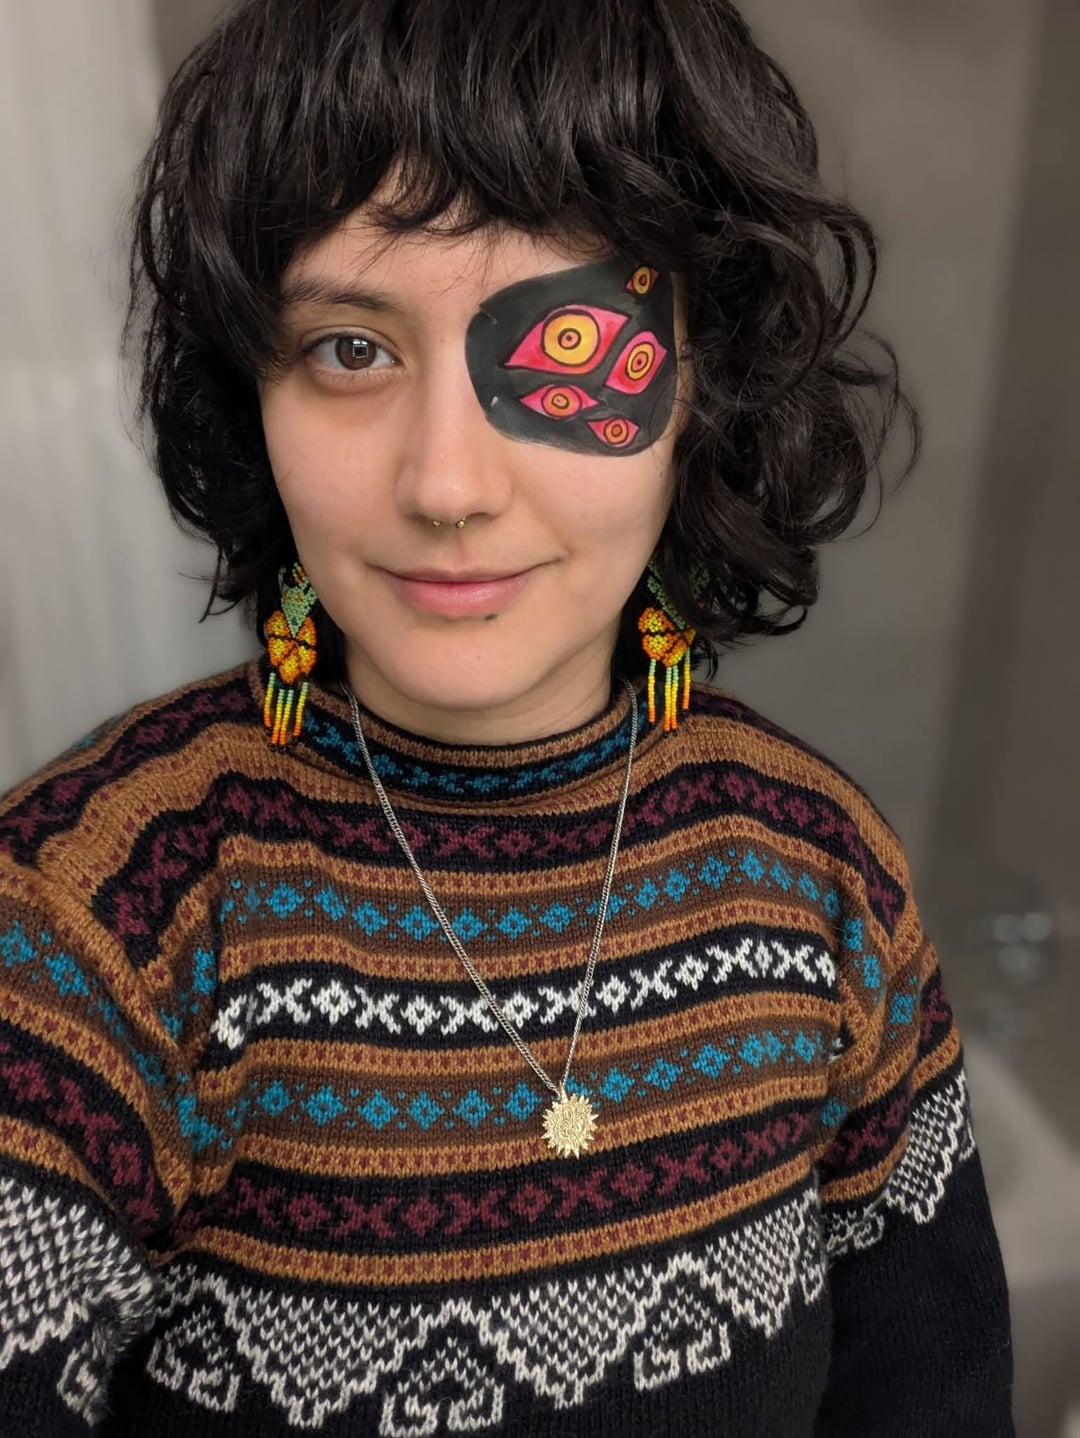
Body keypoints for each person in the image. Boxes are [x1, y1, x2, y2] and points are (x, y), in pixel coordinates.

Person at [0, 0, 1014, 1433]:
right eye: (351, 350)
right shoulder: (90, 925)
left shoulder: (825, 872)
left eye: (565, 339)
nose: (447, 484)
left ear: (701, 379)